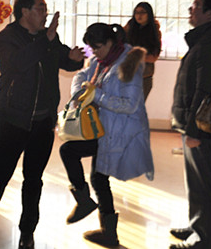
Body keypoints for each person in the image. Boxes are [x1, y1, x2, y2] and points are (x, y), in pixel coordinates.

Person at [0, 0, 85, 249]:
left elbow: (62, 59)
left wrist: (74, 60)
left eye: (45, 8)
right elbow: (18, 64)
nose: (45, 13)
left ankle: (27, 231)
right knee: (1, 171)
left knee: (33, 179)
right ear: (25, 11)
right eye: (40, 8)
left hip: (43, 121)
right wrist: (46, 39)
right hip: (14, 117)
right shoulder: (6, 38)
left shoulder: (48, 37)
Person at [59, 23, 154, 248]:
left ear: (111, 42)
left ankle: (93, 213)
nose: (95, 52)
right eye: (92, 48)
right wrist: (80, 90)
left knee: (83, 164)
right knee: (95, 175)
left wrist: (96, 96)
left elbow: (130, 105)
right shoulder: (101, 60)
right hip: (103, 128)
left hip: (120, 130)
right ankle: (103, 226)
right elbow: (81, 75)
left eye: (98, 47)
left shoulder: (128, 64)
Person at [169, 0, 211, 249]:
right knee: (195, 180)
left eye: (196, 6)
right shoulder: (204, 38)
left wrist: (195, 130)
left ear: (210, 14)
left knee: (204, 183)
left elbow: (204, 90)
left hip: (201, 127)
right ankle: (196, 226)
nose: (190, 10)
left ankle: (203, 239)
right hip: (193, 124)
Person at [124, 2, 161, 100]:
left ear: (149, 14)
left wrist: (135, 57)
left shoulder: (154, 31)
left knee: (137, 106)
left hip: (144, 76)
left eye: (142, 12)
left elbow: (154, 57)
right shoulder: (129, 27)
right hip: (127, 74)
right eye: (136, 12)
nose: (139, 15)